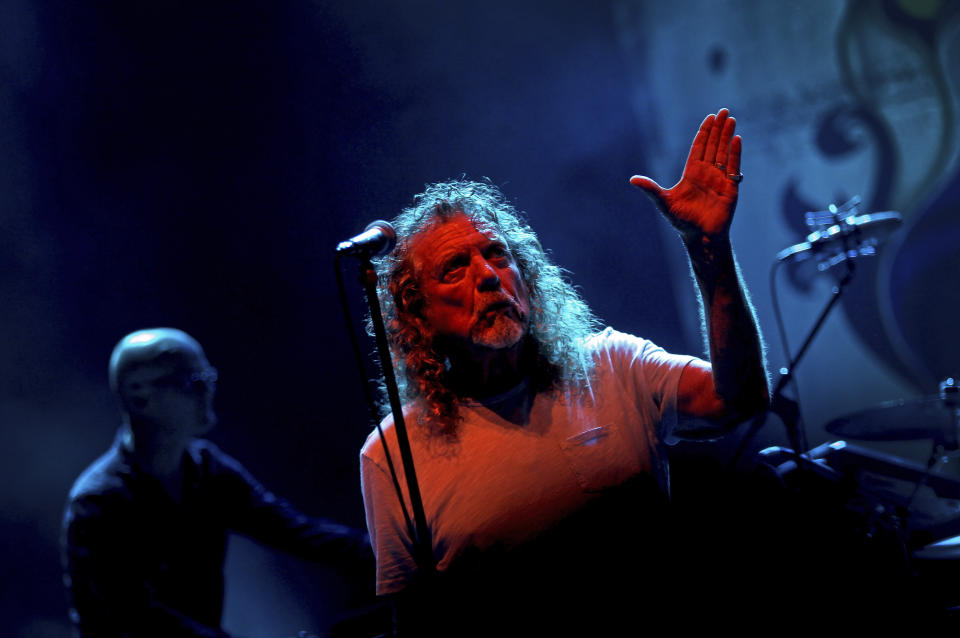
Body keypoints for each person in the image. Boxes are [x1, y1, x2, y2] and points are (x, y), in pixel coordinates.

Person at [359, 109, 770, 634]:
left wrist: (707, 248)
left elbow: (738, 401)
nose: (488, 276)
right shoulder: (391, 455)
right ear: (417, 315)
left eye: (497, 255)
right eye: (454, 269)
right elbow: (413, 621)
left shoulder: (613, 364)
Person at [61, 328, 373, 638]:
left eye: (208, 378)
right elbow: (135, 615)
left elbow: (294, 532)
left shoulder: (208, 471)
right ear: (139, 396)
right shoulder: (98, 503)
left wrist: (386, 552)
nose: (207, 391)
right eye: (193, 382)